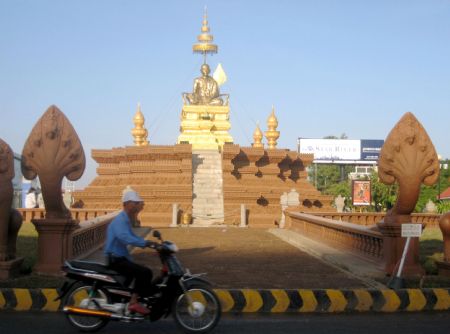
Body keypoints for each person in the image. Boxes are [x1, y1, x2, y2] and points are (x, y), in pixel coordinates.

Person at [104, 190, 153, 315]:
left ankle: (122, 299)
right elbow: (124, 237)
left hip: (120, 257)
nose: (138, 205)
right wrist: (144, 243)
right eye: (135, 203)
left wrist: (148, 243)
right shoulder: (120, 220)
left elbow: (131, 236)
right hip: (115, 258)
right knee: (145, 273)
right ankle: (133, 302)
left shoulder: (126, 219)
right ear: (127, 204)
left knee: (135, 273)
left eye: (138, 203)